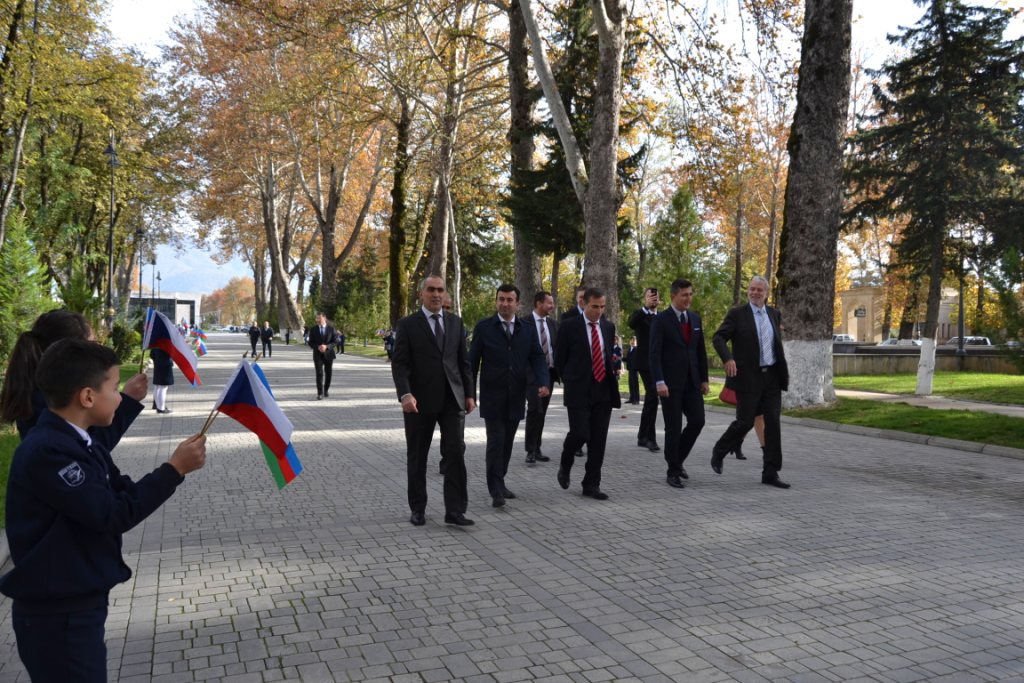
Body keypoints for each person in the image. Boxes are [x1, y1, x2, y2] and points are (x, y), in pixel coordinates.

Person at [0, 338, 206, 682]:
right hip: (58, 616)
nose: (119, 395)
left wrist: (172, 467)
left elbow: (117, 490)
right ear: (87, 397)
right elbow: (112, 514)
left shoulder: (76, 439)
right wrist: (174, 470)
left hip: (75, 606)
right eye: (114, 387)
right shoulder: (50, 452)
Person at [391, 275, 476, 526]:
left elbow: (464, 363)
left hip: (452, 400)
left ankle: (455, 511)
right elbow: (400, 364)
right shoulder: (408, 325)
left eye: (440, 290)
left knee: (455, 455)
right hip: (418, 402)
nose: (436, 294)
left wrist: (469, 394)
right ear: (422, 294)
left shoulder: (456, 323)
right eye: (431, 290)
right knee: (417, 456)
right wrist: (405, 394)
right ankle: (418, 508)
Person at [0, 310, 147, 446]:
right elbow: (90, 444)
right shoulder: (50, 399)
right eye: (93, 344)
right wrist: (128, 401)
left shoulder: (44, 389)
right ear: (69, 350)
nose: (98, 350)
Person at [470, 285, 549, 508]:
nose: (505, 304)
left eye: (509, 300)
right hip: (492, 396)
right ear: (496, 301)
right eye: (501, 299)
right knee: (496, 442)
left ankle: (500, 480)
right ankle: (495, 489)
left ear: (517, 303)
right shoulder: (485, 327)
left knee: (507, 443)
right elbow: (472, 363)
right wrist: (469, 394)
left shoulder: (526, 328)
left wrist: (543, 381)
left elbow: (537, 357)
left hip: (516, 395)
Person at [711, 275, 791, 488]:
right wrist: (728, 358)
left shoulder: (774, 314)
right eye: (752, 289)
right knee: (744, 422)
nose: (755, 293)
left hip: (771, 377)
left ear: (766, 293)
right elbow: (718, 338)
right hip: (748, 378)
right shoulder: (738, 314)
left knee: (773, 424)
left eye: (759, 290)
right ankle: (719, 450)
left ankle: (771, 472)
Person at [554, 287, 620, 500]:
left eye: (602, 307)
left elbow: (607, 355)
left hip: (603, 389)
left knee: (598, 440)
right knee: (580, 433)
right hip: (578, 389)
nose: (599, 311)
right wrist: (571, 379)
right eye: (594, 306)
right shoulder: (568, 326)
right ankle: (566, 461)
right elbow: (559, 359)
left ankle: (591, 484)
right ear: (584, 304)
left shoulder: (608, 327)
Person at [649, 278, 709, 488]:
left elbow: (699, 351)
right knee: (673, 427)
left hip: (692, 383)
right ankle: (672, 471)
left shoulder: (695, 319)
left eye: (691, 294)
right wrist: (659, 381)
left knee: (698, 421)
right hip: (670, 385)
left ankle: (677, 459)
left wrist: (704, 379)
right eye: (684, 295)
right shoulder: (661, 320)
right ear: (674, 295)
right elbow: (654, 353)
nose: (688, 299)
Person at [524, 290, 558, 465]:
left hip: (549, 374)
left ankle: (537, 448)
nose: (552, 306)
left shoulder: (553, 324)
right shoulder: (524, 323)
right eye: (549, 303)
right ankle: (530, 450)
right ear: (538, 303)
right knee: (534, 410)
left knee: (542, 412)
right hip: (532, 375)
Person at [628, 287, 662, 453]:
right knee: (653, 396)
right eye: (650, 296)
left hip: (660, 364)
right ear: (645, 298)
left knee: (652, 398)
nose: (654, 299)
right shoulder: (640, 316)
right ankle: (649, 438)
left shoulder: (662, 317)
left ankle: (643, 436)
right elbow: (631, 322)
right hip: (644, 363)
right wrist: (646, 308)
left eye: (656, 297)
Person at [308, 312, 336, 400]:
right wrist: (318, 347)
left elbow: (335, 341)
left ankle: (326, 390)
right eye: (316, 318)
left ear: (324, 318)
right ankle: (319, 393)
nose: (317, 320)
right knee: (319, 373)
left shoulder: (331, 329)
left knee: (328, 373)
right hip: (318, 354)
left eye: (319, 318)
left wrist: (327, 346)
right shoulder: (313, 329)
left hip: (329, 354)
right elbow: (310, 342)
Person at [151, 346, 174, 415]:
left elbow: (151, 354)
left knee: (157, 385)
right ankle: (161, 408)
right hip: (165, 365)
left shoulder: (157, 341)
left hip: (157, 364)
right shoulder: (166, 341)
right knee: (163, 387)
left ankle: (157, 404)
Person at [625, 336, 640, 404]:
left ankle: (636, 399)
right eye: (631, 340)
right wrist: (620, 358)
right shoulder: (630, 349)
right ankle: (631, 398)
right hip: (630, 369)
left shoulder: (637, 349)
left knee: (635, 384)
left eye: (634, 340)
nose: (633, 341)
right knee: (631, 384)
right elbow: (628, 359)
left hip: (635, 369)